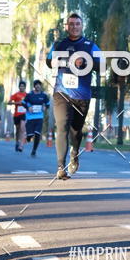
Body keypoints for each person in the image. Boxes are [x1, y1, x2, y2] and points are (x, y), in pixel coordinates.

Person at [46, 13, 100, 180]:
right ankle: (61, 167)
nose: (74, 27)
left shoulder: (90, 46)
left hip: (82, 96)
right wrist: (59, 61)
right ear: (66, 26)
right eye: (71, 24)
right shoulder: (59, 44)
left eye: (77, 24)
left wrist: (85, 62)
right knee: (62, 126)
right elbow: (49, 61)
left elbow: (102, 65)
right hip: (62, 93)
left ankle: (74, 152)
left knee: (76, 131)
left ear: (81, 26)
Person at [23, 80, 51, 156]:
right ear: (34, 86)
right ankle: (28, 137)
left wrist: (45, 107)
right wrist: (28, 107)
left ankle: (34, 150)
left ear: (40, 86)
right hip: (30, 117)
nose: (38, 86)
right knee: (30, 134)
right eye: (36, 84)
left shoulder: (43, 95)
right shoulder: (29, 95)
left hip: (39, 117)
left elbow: (48, 104)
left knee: (37, 134)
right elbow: (23, 103)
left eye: (39, 85)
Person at [8, 79, 28, 152]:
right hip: (16, 114)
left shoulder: (27, 95)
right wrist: (17, 103)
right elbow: (9, 103)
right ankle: (17, 142)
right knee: (17, 130)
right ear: (19, 87)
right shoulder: (16, 94)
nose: (22, 87)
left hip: (24, 114)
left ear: (25, 87)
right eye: (20, 86)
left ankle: (21, 145)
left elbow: (30, 103)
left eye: (23, 86)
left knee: (22, 129)